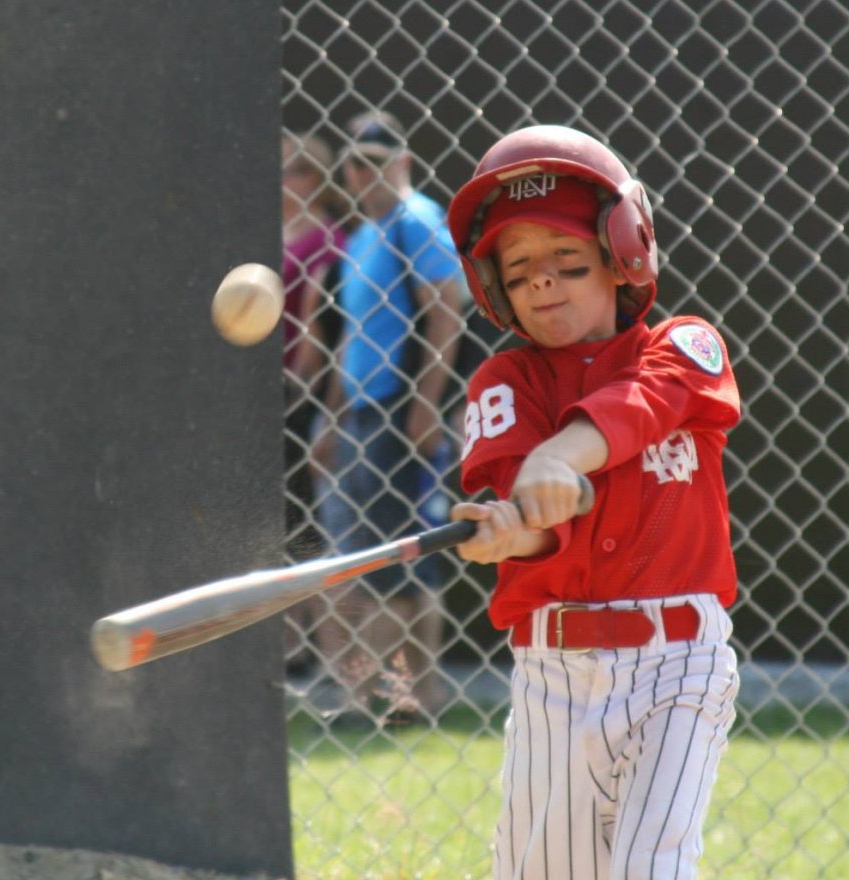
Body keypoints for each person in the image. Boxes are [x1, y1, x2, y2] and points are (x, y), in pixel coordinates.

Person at [447, 125, 741, 879]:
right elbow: (539, 531)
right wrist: (510, 533)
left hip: (679, 660)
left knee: (652, 866)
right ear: (495, 289)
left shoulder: (684, 348)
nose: (542, 282)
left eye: (568, 261)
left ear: (621, 257)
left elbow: (641, 407)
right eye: (518, 272)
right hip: (554, 670)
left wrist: (557, 456)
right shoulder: (504, 383)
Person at [313, 111, 465, 721]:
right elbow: (351, 338)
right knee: (364, 558)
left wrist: (428, 404)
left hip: (402, 415)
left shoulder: (417, 221)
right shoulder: (360, 237)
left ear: (403, 161)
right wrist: (330, 420)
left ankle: (399, 699)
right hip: (359, 416)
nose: (364, 171)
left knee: (400, 563)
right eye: (355, 161)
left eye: (378, 160)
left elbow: (446, 312)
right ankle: (384, 695)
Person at [280, 130, 351, 674]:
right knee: (280, 518)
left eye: (301, 169)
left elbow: (318, 328)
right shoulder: (278, 233)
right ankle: (292, 638)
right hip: (270, 390)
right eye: (284, 169)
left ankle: (311, 646)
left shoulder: (329, 240)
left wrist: (303, 391)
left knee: (306, 517)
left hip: (299, 393)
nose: (290, 180)